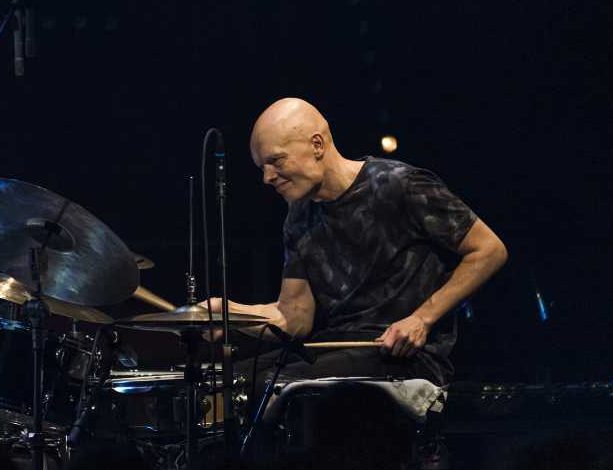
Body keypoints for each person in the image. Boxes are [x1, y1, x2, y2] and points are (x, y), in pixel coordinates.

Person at [211, 97, 508, 386]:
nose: (267, 177)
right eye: (261, 167)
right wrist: (225, 312)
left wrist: (422, 319)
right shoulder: (299, 217)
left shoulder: (398, 184)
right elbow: (295, 317)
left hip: (403, 357)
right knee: (228, 381)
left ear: (317, 145)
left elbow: (489, 250)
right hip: (336, 350)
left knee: (272, 385)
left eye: (275, 161)